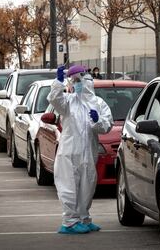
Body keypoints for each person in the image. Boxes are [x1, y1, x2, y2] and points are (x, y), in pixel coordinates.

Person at [47, 65, 113, 234]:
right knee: (69, 187)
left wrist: (97, 121)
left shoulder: (99, 104)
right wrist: (58, 83)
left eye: (79, 80)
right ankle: (69, 222)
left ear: (88, 81)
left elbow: (106, 127)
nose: (77, 84)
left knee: (87, 186)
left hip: (88, 154)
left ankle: (83, 218)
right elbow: (55, 99)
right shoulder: (69, 101)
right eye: (74, 80)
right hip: (69, 153)